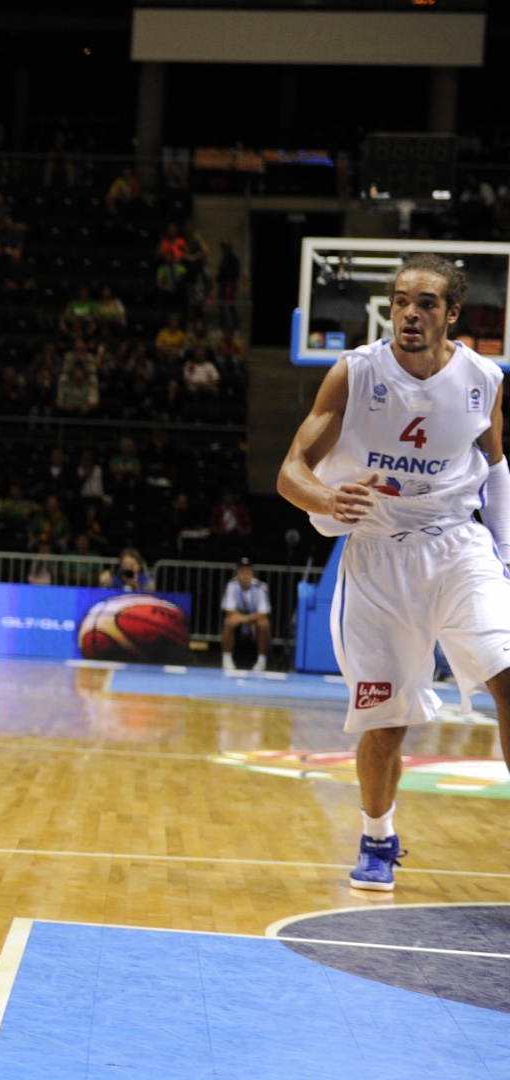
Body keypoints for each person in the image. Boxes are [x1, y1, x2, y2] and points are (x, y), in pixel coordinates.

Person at [276, 253, 510, 892]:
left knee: (509, 675)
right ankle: (378, 837)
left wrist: (504, 553)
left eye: (426, 302)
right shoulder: (354, 373)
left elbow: (495, 466)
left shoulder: (482, 378)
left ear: (451, 314)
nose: (410, 312)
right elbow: (290, 470)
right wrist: (325, 499)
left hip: (459, 545)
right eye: (401, 300)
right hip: (379, 554)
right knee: (385, 721)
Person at [221, 557, 270, 672]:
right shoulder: (231, 585)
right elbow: (229, 611)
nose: (245, 575)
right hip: (240, 620)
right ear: (237, 574)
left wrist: (245, 619)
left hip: (252, 621)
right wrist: (246, 619)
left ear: (253, 574)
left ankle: (261, 661)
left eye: (248, 572)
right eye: (242, 572)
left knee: (264, 624)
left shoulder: (261, 587)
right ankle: (227, 659)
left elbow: (263, 613)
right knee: (229, 622)